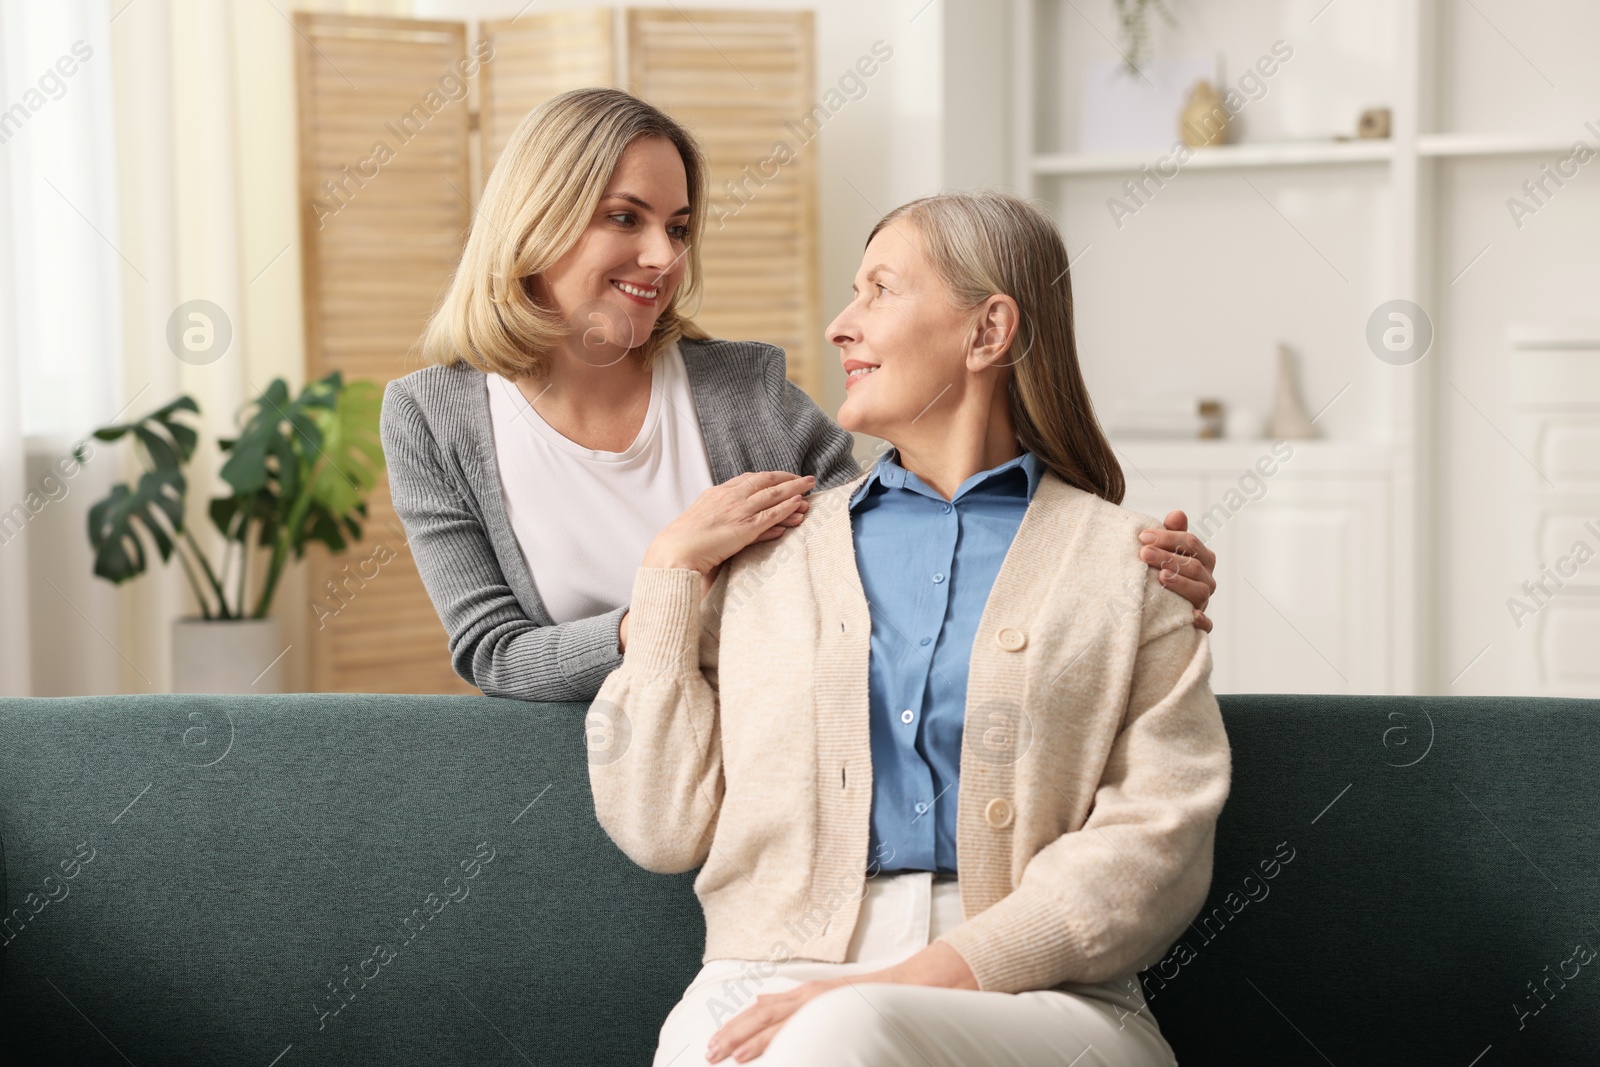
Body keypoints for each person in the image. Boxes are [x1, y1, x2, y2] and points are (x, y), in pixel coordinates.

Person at [588, 191, 1232, 1067]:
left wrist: (912, 978)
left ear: (987, 330)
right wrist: (667, 579)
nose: (840, 326)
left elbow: (1155, 847)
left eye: (880, 290)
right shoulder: (762, 563)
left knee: (843, 1030)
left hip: (1046, 998)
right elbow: (659, 825)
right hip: (759, 979)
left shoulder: (1132, 564)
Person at [379, 88, 1219, 704]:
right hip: (580, 780)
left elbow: (900, 537)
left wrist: (1110, 578)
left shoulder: (735, 386)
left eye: (677, 227)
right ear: (537, 217)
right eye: (625, 218)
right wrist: (671, 584)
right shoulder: (431, 416)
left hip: (777, 769)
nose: (664, 258)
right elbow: (492, 651)